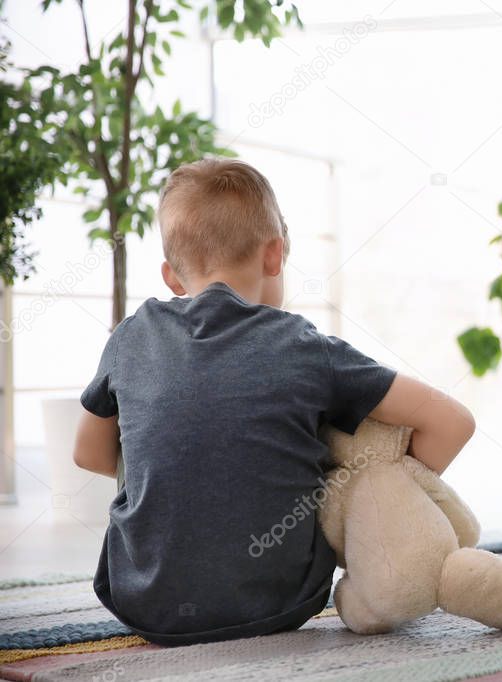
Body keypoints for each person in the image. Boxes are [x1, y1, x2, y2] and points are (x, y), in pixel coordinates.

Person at [73, 158, 475, 645]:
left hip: (143, 604)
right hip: (282, 602)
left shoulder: (131, 336)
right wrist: (372, 490)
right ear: (275, 255)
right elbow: (452, 422)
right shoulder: (305, 346)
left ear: (172, 277)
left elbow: (89, 454)